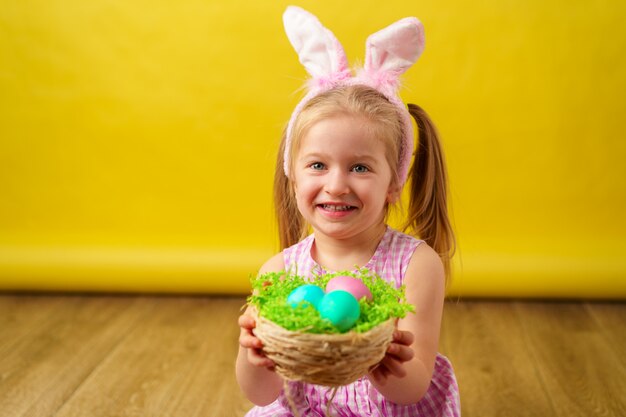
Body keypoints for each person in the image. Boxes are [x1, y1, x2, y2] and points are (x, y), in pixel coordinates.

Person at [236, 6, 459, 416]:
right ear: (293, 176)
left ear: (394, 183)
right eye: (318, 165)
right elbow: (262, 394)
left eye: (359, 167)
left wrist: (383, 361)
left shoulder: (417, 265)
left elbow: (412, 390)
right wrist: (254, 355)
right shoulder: (279, 272)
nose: (336, 185)